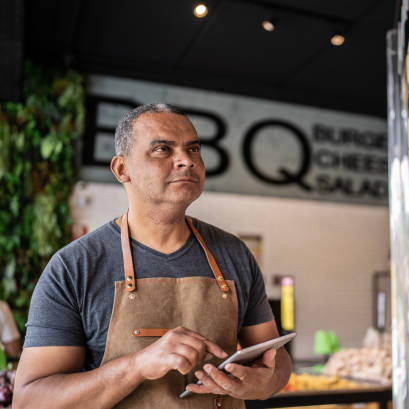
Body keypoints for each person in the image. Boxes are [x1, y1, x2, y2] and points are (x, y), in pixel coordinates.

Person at [13, 103, 292, 408]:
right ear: (123, 169)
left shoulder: (234, 254)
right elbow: (30, 401)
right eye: (163, 149)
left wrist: (266, 382)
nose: (186, 161)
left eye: (194, 149)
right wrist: (137, 366)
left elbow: (276, 361)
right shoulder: (73, 267)